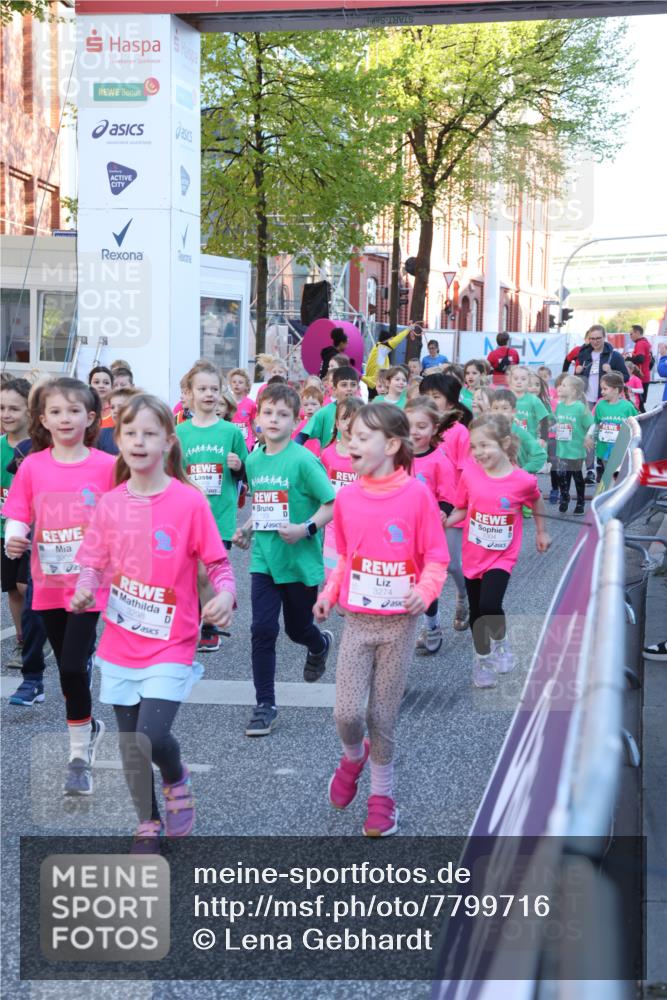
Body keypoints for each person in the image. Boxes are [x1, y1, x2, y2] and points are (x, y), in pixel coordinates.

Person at [71, 393, 236, 851]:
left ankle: (177, 776)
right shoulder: (109, 504)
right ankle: (147, 822)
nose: (139, 442)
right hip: (121, 642)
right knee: (130, 745)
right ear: (118, 439)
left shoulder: (188, 502)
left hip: (172, 641)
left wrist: (225, 594)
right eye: (130, 433)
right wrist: (85, 588)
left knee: (152, 737)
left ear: (168, 440)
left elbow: (219, 565)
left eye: (149, 433)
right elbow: (92, 563)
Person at [314, 403, 448, 837]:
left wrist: (424, 593)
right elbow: (347, 557)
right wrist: (329, 593)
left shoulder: (416, 495)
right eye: (350, 434)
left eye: (363, 436)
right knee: (347, 714)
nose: (352, 442)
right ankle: (353, 756)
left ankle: (382, 798)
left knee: (383, 716)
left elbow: (436, 558)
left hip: (398, 625)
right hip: (357, 620)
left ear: (391, 445)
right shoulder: (347, 497)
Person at [3, 377, 116, 794]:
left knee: (70, 666)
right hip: (47, 582)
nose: (64, 418)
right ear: (43, 419)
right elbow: (18, 511)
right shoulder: (33, 465)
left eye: (74, 411)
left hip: (89, 585)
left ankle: (77, 757)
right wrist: (15, 536)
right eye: (55, 411)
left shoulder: (106, 466)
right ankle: (88, 727)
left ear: (90, 418)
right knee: (70, 673)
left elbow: (124, 514)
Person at [233, 383, 335, 737]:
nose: (274, 419)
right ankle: (265, 704)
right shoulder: (253, 459)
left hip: (299, 561)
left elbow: (331, 504)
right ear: (257, 418)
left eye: (283, 414)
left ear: (296, 421)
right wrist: (247, 528)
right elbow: (265, 504)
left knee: (297, 629)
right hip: (264, 559)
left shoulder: (304, 460)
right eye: (268, 412)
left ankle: (319, 644)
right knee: (262, 630)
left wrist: (306, 528)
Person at [447, 413, 550, 688]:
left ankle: (501, 644)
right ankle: (482, 660)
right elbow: (460, 508)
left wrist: (541, 531)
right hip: (473, 554)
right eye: (474, 446)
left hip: (502, 555)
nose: (478, 452)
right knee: (477, 612)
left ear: (504, 443)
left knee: (490, 605)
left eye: (485, 446)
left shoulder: (523, 481)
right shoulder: (469, 473)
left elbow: (537, 504)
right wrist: (441, 524)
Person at [175, 360, 247, 653]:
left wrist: (238, 466)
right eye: (201, 389)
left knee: (207, 571)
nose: (208, 394)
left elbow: (247, 474)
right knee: (192, 572)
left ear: (221, 393)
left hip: (221, 513)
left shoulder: (231, 432)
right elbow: (174, 474)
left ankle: (210, 625)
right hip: (189, 515)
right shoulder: (180, 433)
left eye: (213, 389)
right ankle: (197, 618)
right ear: (190, 394)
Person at [420, 372, 472, 631]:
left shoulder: (459, 432)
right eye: (426, 396)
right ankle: (432, 626)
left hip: (451, 508)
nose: (430, 401)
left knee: (451, 564)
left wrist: (457, 508)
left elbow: (465, 472)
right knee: (427, 568)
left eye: (436, 397)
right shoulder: (418, 428)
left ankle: (464, 595)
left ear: (450, 403)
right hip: (420, 512)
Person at [405, 395, 456, 654]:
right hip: (398, 531)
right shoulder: (395, 455)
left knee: (425, 581)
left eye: (422, 427)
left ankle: (432, 625)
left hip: (427, 532)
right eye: (410, 425)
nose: (414, 432)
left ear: (434, 428)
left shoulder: (439, 460)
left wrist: (443, 512)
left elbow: (448, 496)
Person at [1, 377, 31, 668]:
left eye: (14, 409)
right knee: (12, 588)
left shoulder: (38, 447)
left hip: (32, 530)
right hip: (4, 530)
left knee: (25, 586)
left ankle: (39, 633)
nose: (6, 414)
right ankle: (22, 640)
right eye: (1, 408)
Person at [320, 397, 363, 579]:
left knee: (356, 577)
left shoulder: (367, 454)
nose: (349, 424)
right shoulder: (327, 453)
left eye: (354, 419)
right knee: (332, 576)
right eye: (345, 418)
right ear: (337, 422)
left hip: (361, 524)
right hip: (333, 524)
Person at [586, 372, 637, 481]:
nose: (602, 392)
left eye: (605, 389)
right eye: (601, 389)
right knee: (609, 474)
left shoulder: (627, 407)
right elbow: (596, 423)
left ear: (616, 389)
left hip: (621, 449)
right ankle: (610, 492)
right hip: (604, 448)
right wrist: (589, 436)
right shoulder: (600, 406)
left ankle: (619, 493)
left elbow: (636, 426)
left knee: (619, 476)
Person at [554, 374, 593, 514]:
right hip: (562, 449)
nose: (560, 387)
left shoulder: (580, 407)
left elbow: (591, 425)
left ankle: (581, 502)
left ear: (574, 391)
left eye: (564, 385)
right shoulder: (560, 407)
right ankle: (565, 497)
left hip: (576, 450)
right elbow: (557, 423)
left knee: (576, 476)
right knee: (562, 476)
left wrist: (589, 437)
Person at [296, 366, 360, 450]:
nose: (349, 389)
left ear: (358, 388)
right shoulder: (324, 412)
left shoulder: (364, 412)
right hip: (328, 462)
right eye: (344, 385)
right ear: (334, 389)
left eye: (353, 385)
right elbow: (301, 437)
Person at [490, 389, 547, 475]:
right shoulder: (487, 432)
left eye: (504, 408)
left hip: (515, 482)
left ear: (513, 411)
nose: (499, 412)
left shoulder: (519, 432)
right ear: (490, 410)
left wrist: (522, 472)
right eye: (495, 408)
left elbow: (540, 455)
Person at [363, 324, 423, 395]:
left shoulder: (377, 350)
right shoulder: (382, 348)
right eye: (390, 339)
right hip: (377, 384)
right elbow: (396, 341)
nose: (392, 341)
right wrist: (408, 330)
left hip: (373, 384)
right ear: (386, 341)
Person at [97, 386, 139, 455]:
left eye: (120, 407)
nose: (115, 411)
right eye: (112, 407)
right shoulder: (102, 434)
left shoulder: (140, 435)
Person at [227, 368, 257, 450]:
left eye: (240, 382)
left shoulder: (251, 404)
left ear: (247, 386)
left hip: (246, 442)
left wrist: (260, 437)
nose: (236, 384)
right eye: (234, 382)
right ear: (230, 384)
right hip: (230, 440)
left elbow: (253, 423)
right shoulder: (227, 402)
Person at [625, 324, 653, 410]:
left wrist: (628, 358)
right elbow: (650, 362)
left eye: (631, 334)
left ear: (637, 333)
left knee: (638, 405)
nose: (630, 336)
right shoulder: (646, 342)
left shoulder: (640, 343)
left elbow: (640, 359)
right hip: (644, 376)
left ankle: (644, 422)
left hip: (641, 378)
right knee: (640, 404)